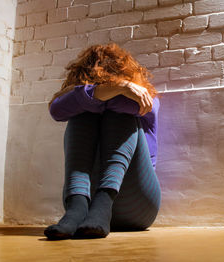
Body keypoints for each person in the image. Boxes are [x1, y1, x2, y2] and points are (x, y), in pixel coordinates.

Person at [43, 43, 161, 240]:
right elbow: (57, 110)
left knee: (116, 113)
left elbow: (133, 106)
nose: (107, 77)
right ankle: (76, 206)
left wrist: (95, 94)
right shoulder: (116, 88)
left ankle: (104, 201)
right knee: (81, 114)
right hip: (84, 208)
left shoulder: (147, 97)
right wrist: (118, 87)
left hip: (137, 204)